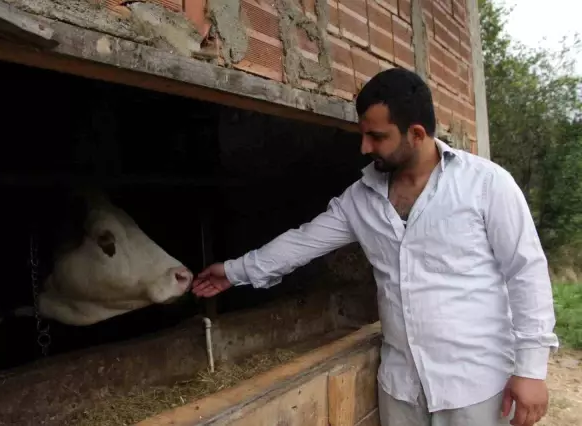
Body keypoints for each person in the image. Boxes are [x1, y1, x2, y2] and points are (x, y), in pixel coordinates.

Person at [191, 68, 559, 426]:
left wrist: (530, 370)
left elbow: (525, 271)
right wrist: (234, 271)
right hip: (401, 389)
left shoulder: (486, 185)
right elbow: (303, 241)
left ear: (416, 134)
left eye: (377, 136)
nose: (365, 147)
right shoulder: (361, 199)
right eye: (364, 135)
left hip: (477, 387)